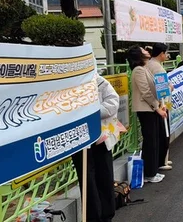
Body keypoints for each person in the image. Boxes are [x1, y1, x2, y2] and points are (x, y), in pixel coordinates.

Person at [71, 74, 119, 222]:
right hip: (78, 139)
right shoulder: (63, 83)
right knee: (87, 180)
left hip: (100, 137)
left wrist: (92, 112)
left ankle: (107, 215)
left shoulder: (96, 79)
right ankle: (92, 217)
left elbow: (113, 101)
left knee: (104, 175)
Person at [127, 46, 165, 184]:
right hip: (146, 110)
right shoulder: (138, 70)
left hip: (151, 109)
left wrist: (161, 104)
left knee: (154, 140)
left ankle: (153, 171)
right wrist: (157, 108)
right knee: (150, 142)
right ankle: (149, 173)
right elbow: (146, 92)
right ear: (139, 55)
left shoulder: (144, 68)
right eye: (143, 50)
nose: (147, 51)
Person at [146, 43, 172, 171]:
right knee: (163, 134)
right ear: (161, 53)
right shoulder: (157, 68)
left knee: (160, 134)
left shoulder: (150, 65)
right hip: (160, 104)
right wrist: (165, 105)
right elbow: (161, 90)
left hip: (157, 104)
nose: (166, 56)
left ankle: (163, 159)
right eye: (166, 53)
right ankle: (162, 161)